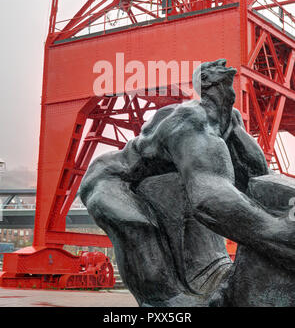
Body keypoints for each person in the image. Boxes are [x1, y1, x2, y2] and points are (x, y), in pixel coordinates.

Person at [80, 59, 295, 306]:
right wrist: (279, 234)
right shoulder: (190, 120)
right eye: (216, 66)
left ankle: (210, 286)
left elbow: (258, 180)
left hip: (169, 182)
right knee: (141, 229)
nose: (224, 64)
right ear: (204, 81)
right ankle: (165, 302)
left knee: (214, 234)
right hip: (112, 182)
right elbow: (208, 200)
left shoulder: (230, 120)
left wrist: (281, 219)